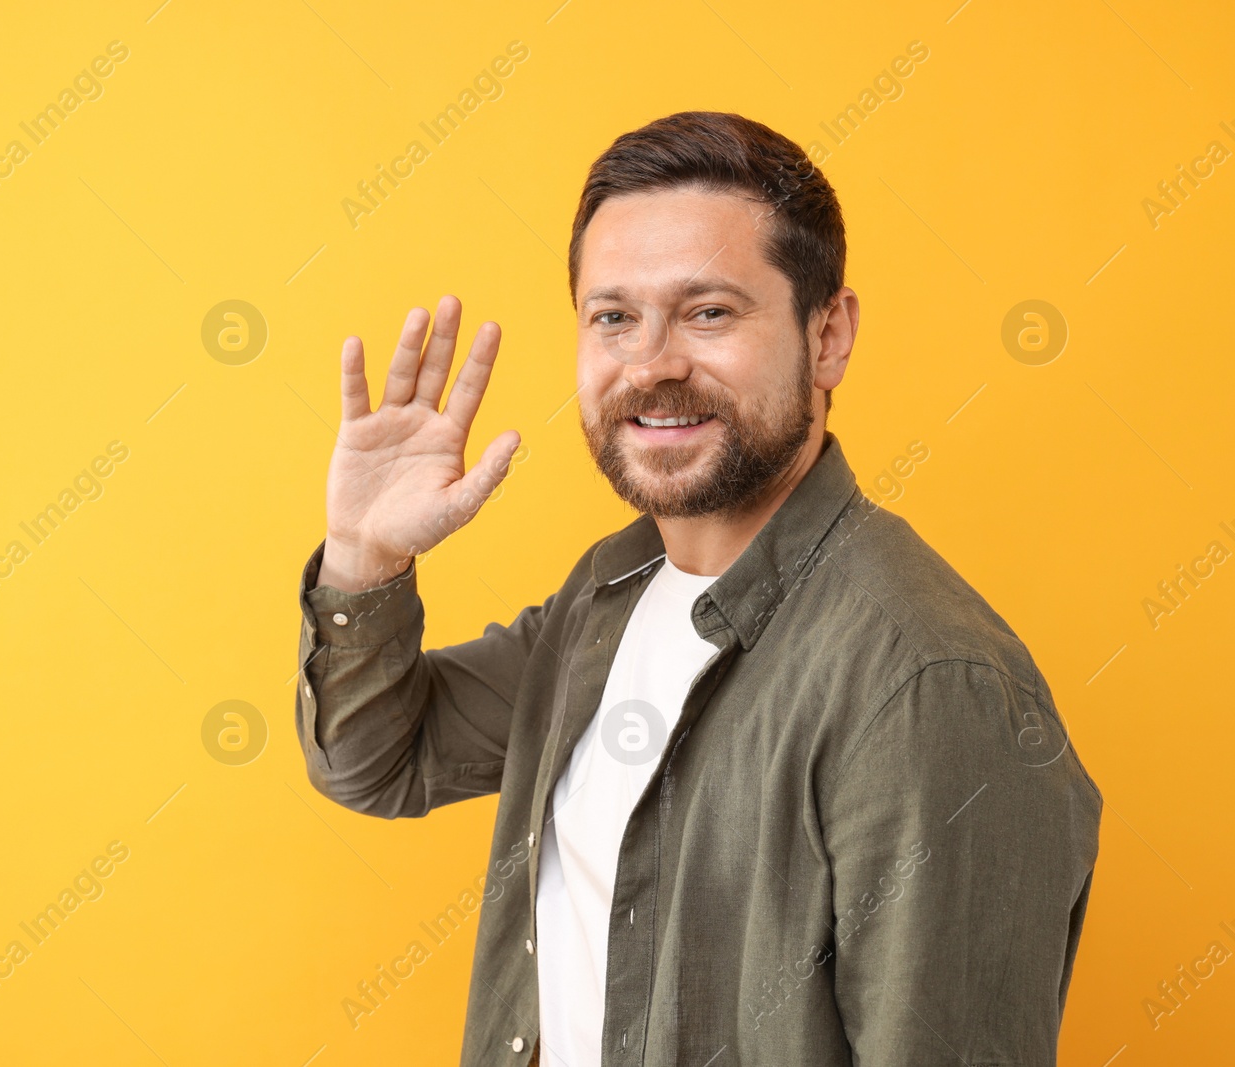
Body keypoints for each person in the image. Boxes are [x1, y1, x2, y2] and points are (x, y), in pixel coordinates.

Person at [292, 110, 1102, 1066]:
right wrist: (364, 558)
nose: (653, 364)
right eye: (614, 317)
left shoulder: (927, 685)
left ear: (829, 334)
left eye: (710, 311)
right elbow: (376, 760)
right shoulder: (612, 592)